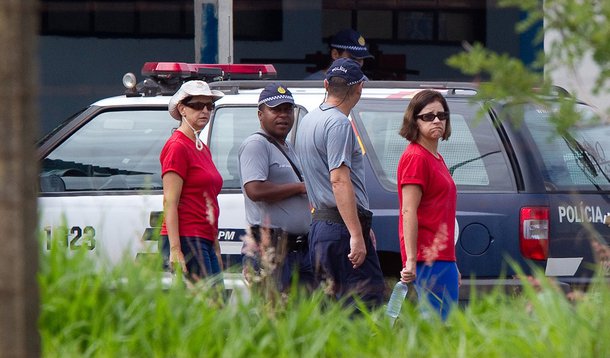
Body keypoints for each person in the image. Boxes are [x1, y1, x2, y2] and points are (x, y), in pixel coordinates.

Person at [295, 58, 385, 310]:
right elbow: (338, 179)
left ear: (325, 84)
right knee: (363, 306)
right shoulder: (339, 123)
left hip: (321, 225)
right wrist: (356, 233)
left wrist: (360, 226)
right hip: (339, 228)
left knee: (330, 309)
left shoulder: (309, 120)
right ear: (359, 89)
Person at [239, 83, 314, 292]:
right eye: (275, 110)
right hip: (270, 248)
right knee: (272, 314)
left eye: (287, 110)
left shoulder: (288, 146)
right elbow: (255, 190)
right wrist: (299, 188)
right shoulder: (256, 144)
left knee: (302, 318)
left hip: (298, 249)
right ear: (260, 114)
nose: (283, 115)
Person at [396, 89, 460, 320]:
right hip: (425, 258)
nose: (437, 121)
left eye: (442, 116)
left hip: (443, 257)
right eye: (428, 116)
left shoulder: (436, 157)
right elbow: (408, 210)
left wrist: (452, 263)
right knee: (435, 326)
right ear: (414, 120)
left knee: (446, 325)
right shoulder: (416, 157)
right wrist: (411, 260)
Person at [159, 80, 225, 284]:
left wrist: (216, 247)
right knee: (208, 305)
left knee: (216, 304)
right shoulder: (177, 146)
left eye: (209, 106)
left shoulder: (201, 148)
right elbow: (170, 201)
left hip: (204, 237)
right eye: (197, 105)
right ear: (182, 109)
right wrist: (175, 249)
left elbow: (209, 201)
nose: (205, 110)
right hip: (187, 237)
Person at [305, 28, 374, 80]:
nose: (358, 64)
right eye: (353, 58)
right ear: (335, 54)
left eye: (361, 59)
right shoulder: (313, 83)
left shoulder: (363, 82)